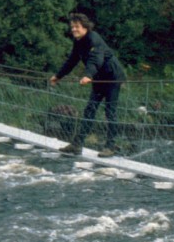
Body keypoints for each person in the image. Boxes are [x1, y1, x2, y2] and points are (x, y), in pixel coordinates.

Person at [49, 13, 126, 157]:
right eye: (72, 27)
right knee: (89, 110)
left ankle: (111, 146)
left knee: (110, 112)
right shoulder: (78, 42)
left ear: (85, 27)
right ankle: (77, 145)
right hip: (98, 79)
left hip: (112, 78)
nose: (73, 29)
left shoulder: (93, 39)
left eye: (77, 27)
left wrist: (88, 75)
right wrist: (58, 76)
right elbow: (72, 60)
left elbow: (95, 59)